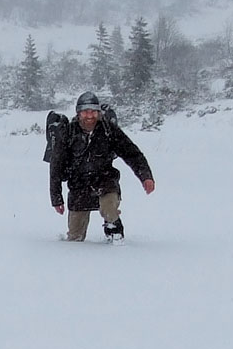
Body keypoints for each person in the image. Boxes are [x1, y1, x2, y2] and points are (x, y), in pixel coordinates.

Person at [49, 91, 155, 242]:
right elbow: (56, 167)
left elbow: (132, 153)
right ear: (79, 113)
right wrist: (56, 198)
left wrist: (146, 177)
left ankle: (115, 235)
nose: (90, 116)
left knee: (109, 210)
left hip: (105, 182)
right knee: (74, 238)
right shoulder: (68, 132)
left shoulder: (108, 130)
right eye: (86, 111)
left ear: (98, 113)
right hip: (79, 186)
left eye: (93, 111)